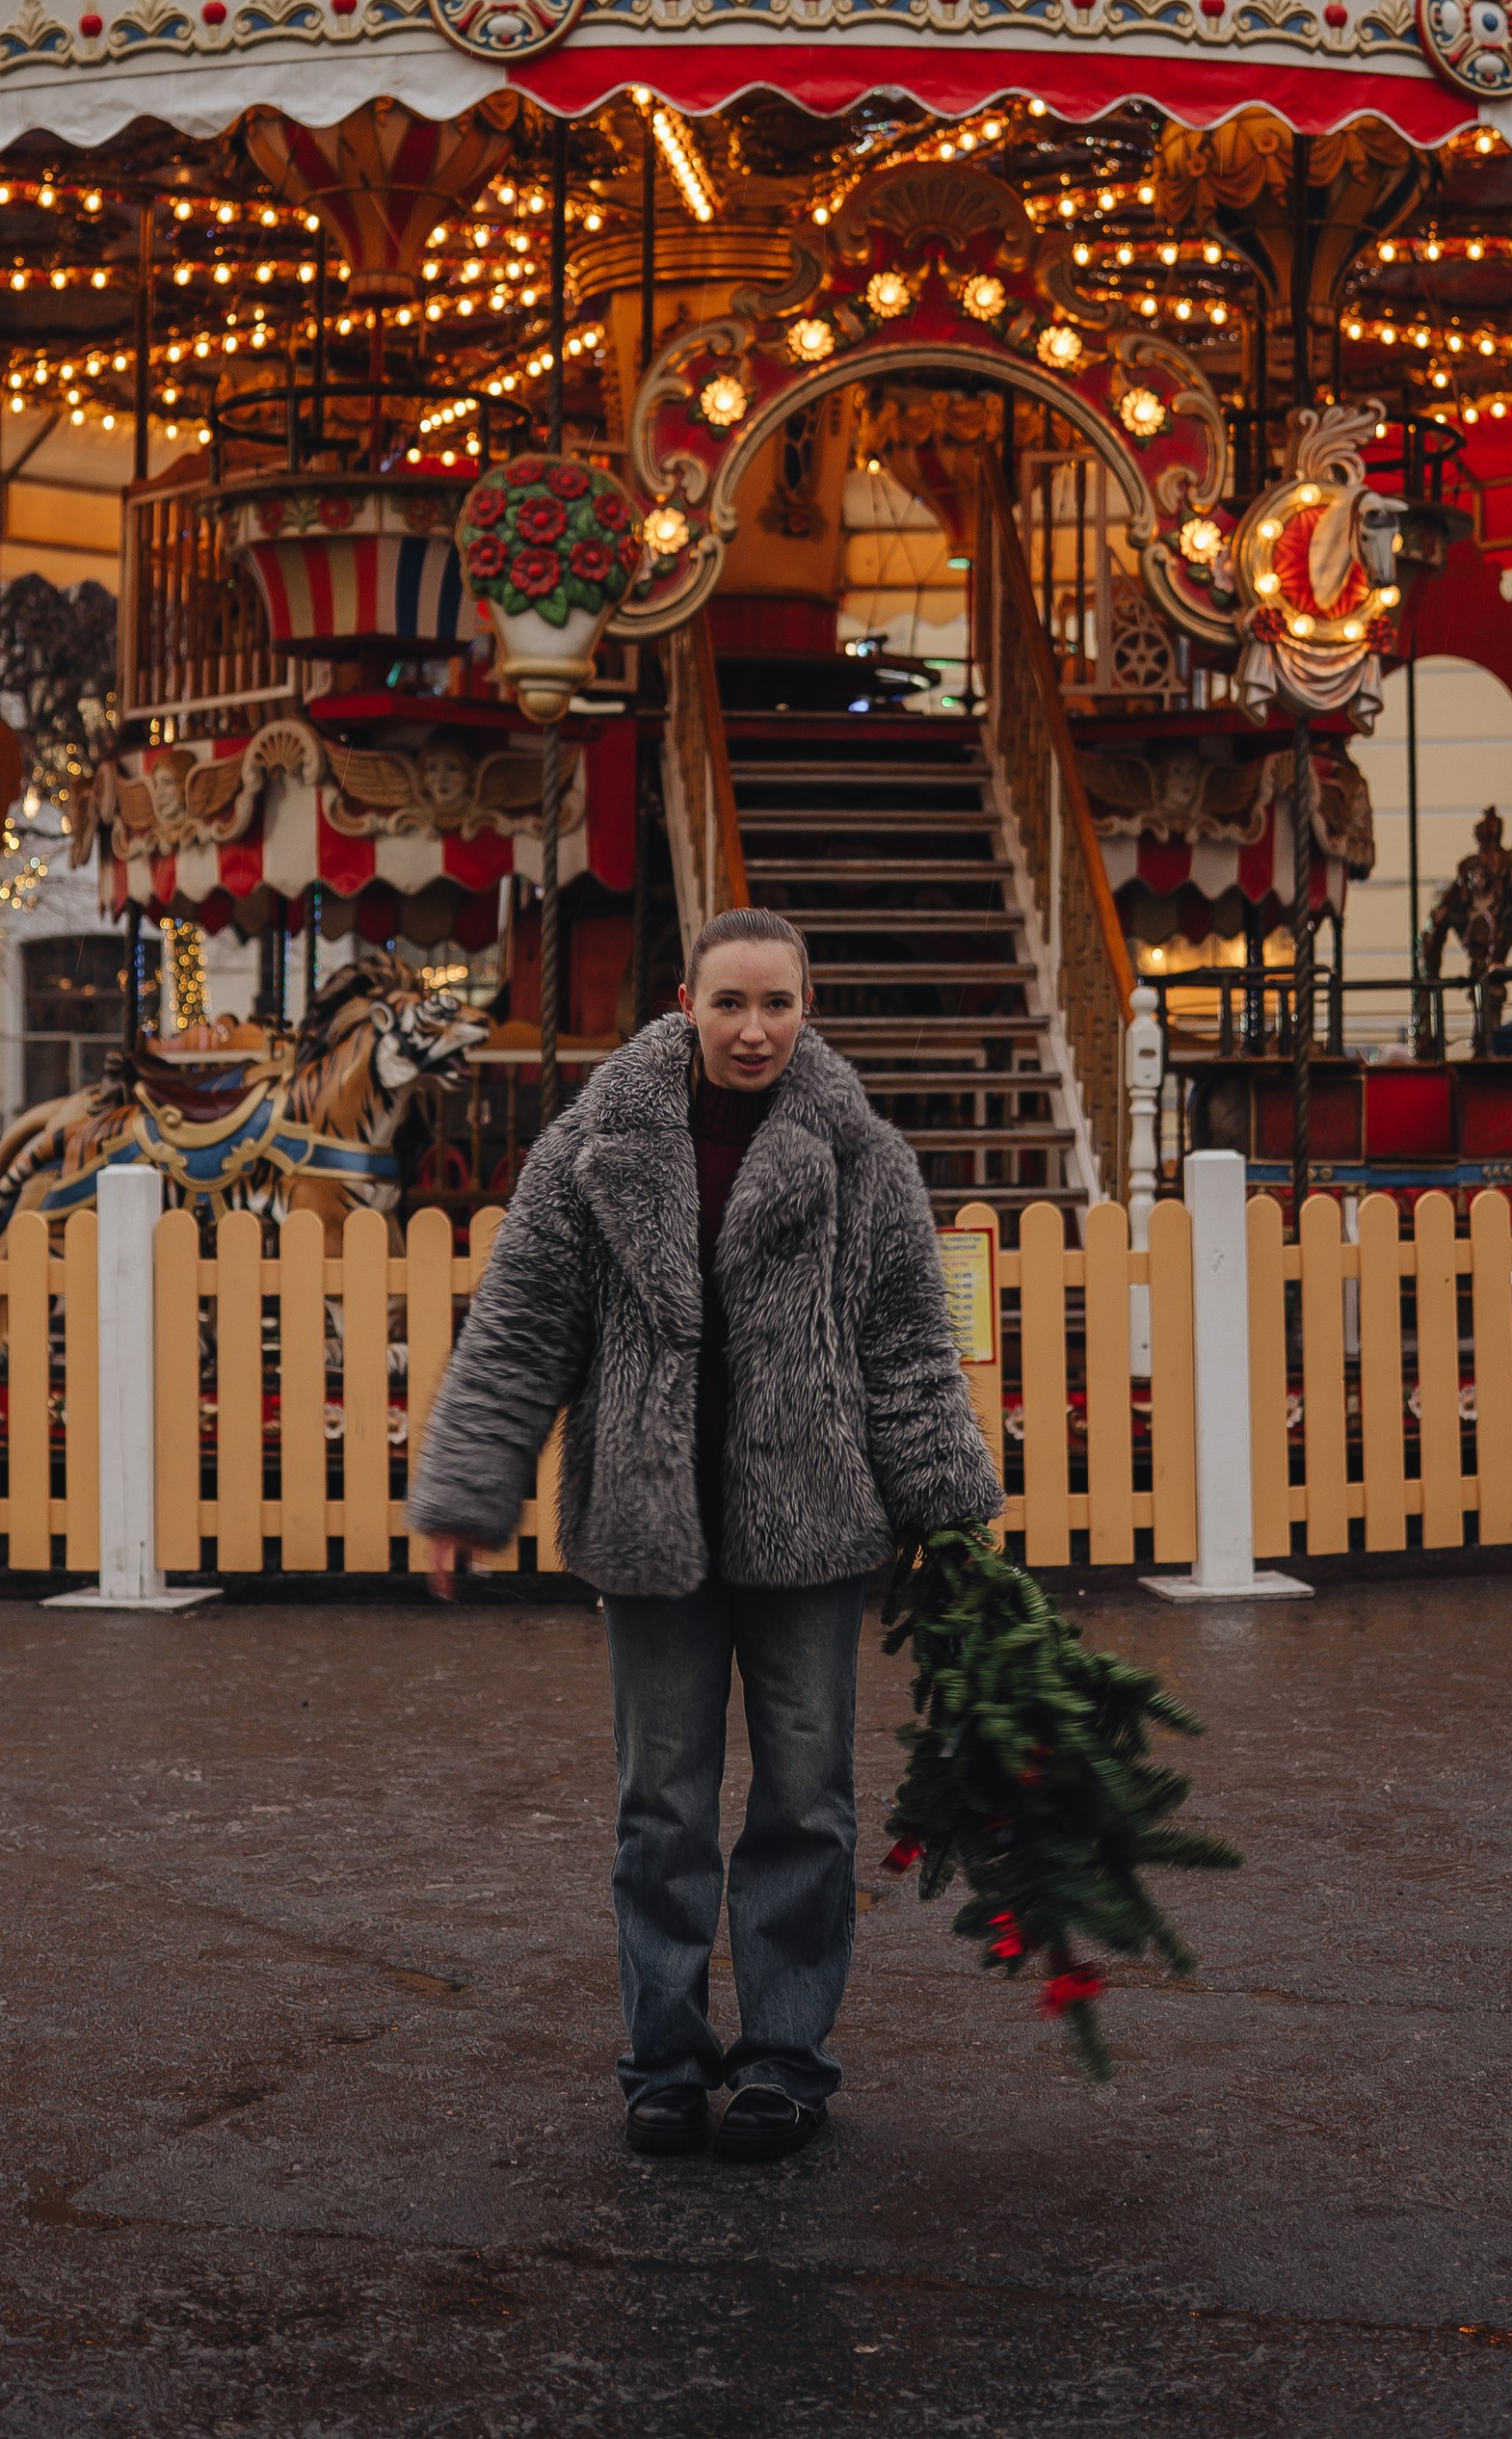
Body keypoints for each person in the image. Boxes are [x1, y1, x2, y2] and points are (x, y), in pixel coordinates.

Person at [410, 905, 1001, 2164]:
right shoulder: (592, 1149)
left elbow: (906, 1350)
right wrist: (466, 1493)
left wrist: (946, 1510)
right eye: (729, 1002)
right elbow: (519, 1331)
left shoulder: (863, 1158)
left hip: (813, 1527)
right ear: (685, 1004)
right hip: (653, 1524)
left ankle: (784, 2058)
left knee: (808, 1804)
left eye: (776, 1004)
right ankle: (666, 2063)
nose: (752, 1029)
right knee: (660, 1810)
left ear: (807, 1007)